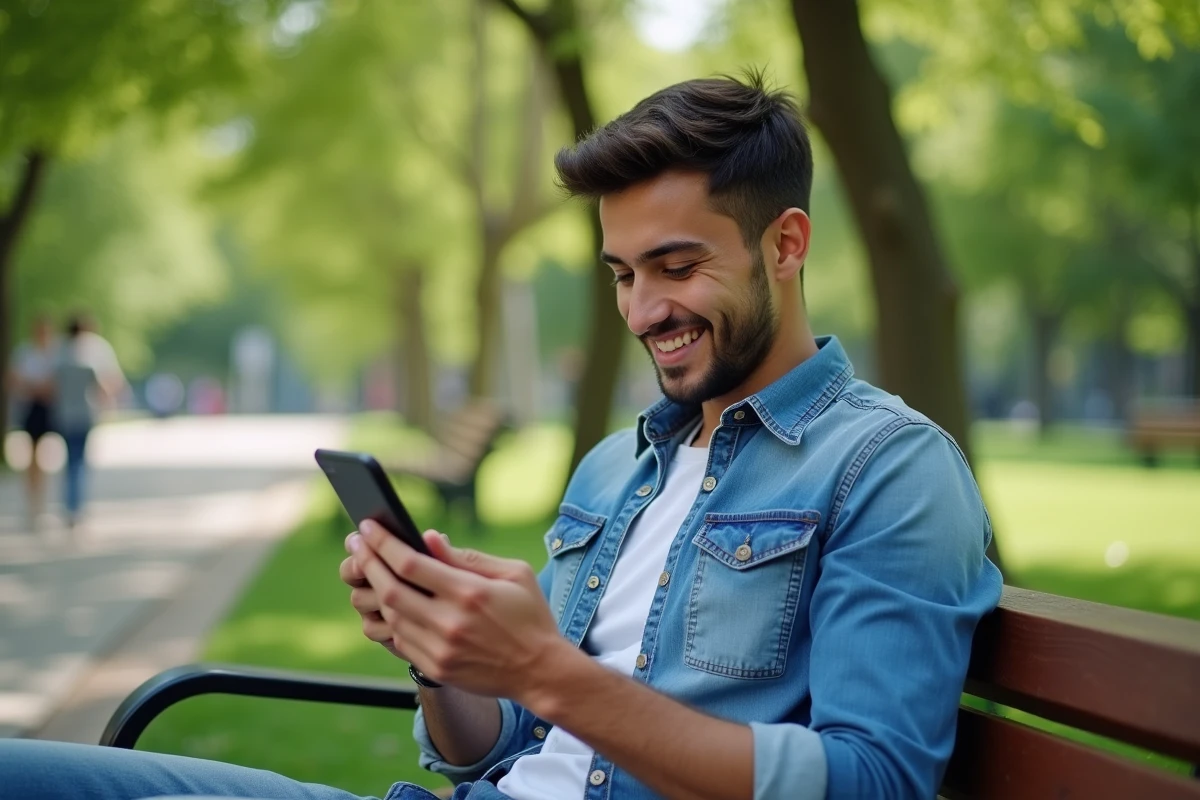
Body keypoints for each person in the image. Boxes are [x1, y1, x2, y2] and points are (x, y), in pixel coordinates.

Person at [0, 74, 1002, 799]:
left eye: (677, 266)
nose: (643, 310)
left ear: (786, 244)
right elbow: (497, 749)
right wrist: (442, 655)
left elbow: (874, 779)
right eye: (622, 274)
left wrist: (543, 669)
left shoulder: (887, 468)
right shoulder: (618, 467)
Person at [51, 312, 126, 529]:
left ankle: (70, 505)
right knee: (79, 461)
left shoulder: (60, 356)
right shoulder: (90, 360)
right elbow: (104, 388)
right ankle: (76, 506)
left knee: (70, 460)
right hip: (84, 414)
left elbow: (52, 386)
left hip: (64, 414)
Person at [6, 313, 58, 528]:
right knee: (32, 455)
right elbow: (13, 378)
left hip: (51, 408)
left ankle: (42, 501)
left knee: (47, 456)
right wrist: (33, 388)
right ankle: (32, 501)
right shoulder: (25, 353)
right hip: (30, 408)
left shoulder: (56, 353)